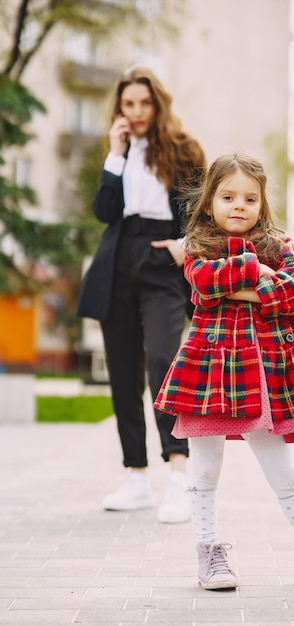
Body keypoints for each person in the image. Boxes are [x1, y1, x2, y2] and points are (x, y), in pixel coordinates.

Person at [154, 153, 294, 588]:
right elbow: (203, 282)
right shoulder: (197, 246)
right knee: (204, 470)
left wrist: (243, 289)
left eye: (250, 198)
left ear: (262, 203)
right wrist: (256, 270)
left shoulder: (279, 243)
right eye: (228, 196)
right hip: (210, 373)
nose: (239, 205)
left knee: (284, 470)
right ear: (210, 201)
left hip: (265, 376)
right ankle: (210, 553)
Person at [76, 66, 206, 523]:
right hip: (117, 261)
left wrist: (183, 248)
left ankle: (180, 474)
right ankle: (135, 476)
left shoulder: (185, 150)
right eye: (127, 105)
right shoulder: (120, 150)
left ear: (157, 105)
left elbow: (200, 211)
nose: (135, 113)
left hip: (161, 263)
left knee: (164, 360)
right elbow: (104, 211)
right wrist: (114, 155)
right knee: (123, 372)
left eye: (143, 104)